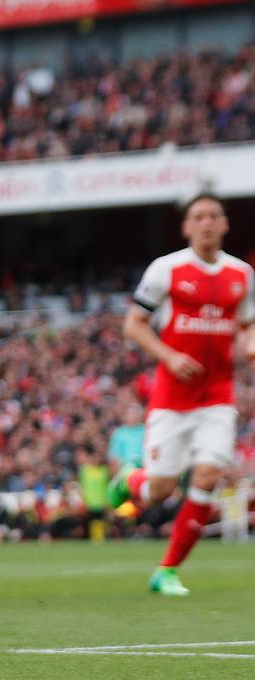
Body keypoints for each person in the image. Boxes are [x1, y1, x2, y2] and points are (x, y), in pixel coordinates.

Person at [108, 193, 254, 596]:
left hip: (218, 395)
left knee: (208, 474)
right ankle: (130, 480)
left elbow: (247, 325)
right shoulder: (166, 269)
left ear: (225, 224)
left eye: (213, 216)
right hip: (172, 397)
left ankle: (167, 570)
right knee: (159, 491)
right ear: (186, 227)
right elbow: (134, 325)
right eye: (198, 217)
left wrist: (250, 345)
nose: (206, 222)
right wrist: (170, 357)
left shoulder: (242, 274)